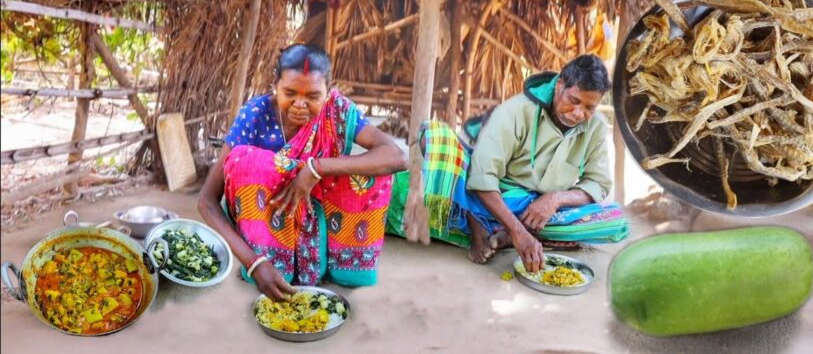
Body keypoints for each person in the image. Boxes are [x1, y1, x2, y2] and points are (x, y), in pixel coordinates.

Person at [198, 44, 408, 301]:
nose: (300, 104)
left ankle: (343, 262)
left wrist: (316, 168)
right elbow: (207, 202)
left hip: (321, 213)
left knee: (372, 170)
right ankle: (274, 261)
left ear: (329, 93)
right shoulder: (255, 115)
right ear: (275, 86)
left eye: (313, 96)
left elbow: (396, 156)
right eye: (289, 93)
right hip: (270, 217)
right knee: (247, 162)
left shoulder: (338, 111)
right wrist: (253, 262)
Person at [386, 54, 627, 272]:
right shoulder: (517, 110)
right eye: (574, 101)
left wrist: (555, 199)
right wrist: (520, 232)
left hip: (539, 209)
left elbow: (598, 184)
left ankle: (493, 229)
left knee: (611, 220)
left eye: (589, 107)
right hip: (499, 194)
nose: (579, 113)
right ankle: (483, 221)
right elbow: (482, 178)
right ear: (559, 86)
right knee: (437, 138)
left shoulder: (594, 127)